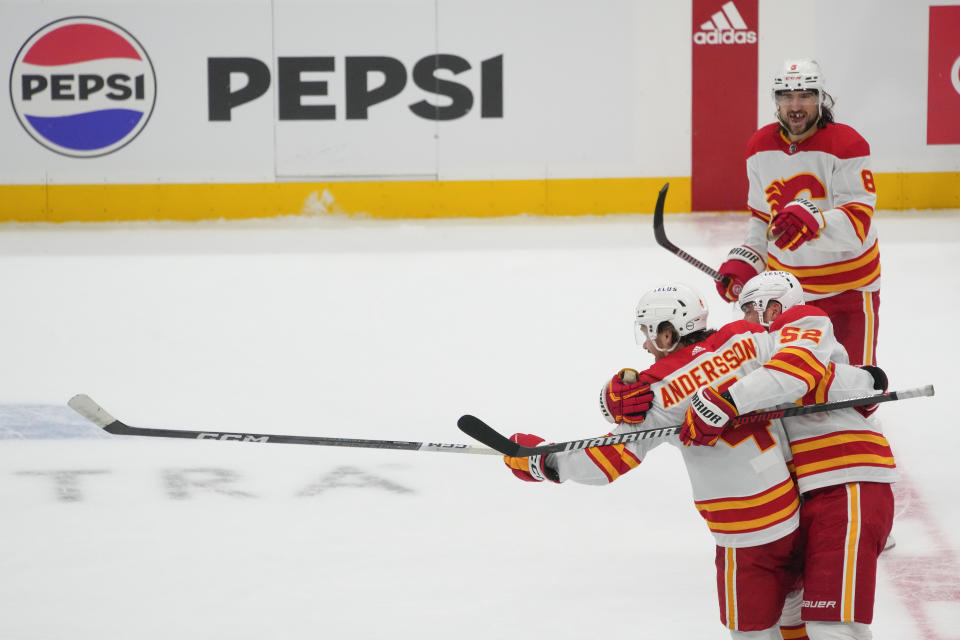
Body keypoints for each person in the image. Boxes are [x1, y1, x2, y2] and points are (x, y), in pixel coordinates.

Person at [505, 283, 810, 639]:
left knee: (753, 633)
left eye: (649, 334)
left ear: (668, 332)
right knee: (794, 612)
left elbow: (607, 460)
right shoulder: (747, 335)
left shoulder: (656, 391)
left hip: (744, 531)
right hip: (795, 506)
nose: (646, 346)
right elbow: (801, 361)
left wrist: (544, 460)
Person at [684, 271, 897, 640]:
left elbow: (794, 372)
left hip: (846, 481)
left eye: (751, 309)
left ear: (776, 305)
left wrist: (729, 402)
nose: (745, 321)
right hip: (802, 503)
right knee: (794, 623)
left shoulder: (802, 319)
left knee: (832, 628)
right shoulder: (756, 357)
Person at [715, 59, 880, 366]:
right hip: (787, 295)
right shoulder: (759, 147)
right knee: (793, 389)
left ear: (820, 98)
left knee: (859, 396)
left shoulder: (848, 144)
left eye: (805, 95)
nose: (795, 105)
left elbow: (858, 222)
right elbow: (763, 218)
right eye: (785, 96)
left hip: (849, 290)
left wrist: (813, 222)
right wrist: (748, 260)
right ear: (775, 101)